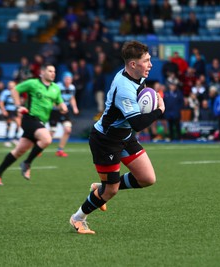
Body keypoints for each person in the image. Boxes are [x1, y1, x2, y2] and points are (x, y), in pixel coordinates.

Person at [69, 40, 165, 234]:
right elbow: (138, 124)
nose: (151, 64)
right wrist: (159, 110)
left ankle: (102, 186)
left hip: (125, 135)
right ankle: (78, 218)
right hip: (106, 141)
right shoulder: (125, 89)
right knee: (110, 191)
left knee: (147, 178)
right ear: (133, 64)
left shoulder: (136, 75)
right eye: (146, 61)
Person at [0, 64, 68, 186]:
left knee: (19, 150)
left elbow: (59, 102)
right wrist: (18, 106)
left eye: (54, 71)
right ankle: (27, 163)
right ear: (42, 72)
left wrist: (62, 107)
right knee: (47, 139)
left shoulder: (56, 88)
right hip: (29, 118)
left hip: (41, 122)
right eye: (50, 71)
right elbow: (15, 90)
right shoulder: (33, 83)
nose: (53, 73)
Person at [49, 71, 79, 157]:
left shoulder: (72, 87)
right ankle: (39, 148)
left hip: (65, 111)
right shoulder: (57, 86)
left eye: (69, 79)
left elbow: (72, 98)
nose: (68, 80)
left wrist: (75, 108)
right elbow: (52, 99)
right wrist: (59, 107)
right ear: (63, 79)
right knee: (52, 132)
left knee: (68, 130)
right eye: (66, 78)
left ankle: (60, 150)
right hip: (55, 111)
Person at [0, 81, 21, 147]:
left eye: (12, 85)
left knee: (19, 124)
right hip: (8, 109)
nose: (11, 86)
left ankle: (15, 138)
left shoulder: (17, 92)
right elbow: (1, 102)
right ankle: (7, 139)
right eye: (10, 85)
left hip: (15, 109)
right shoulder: (5, 92)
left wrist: (19, 110)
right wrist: (3, 110)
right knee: (9, 125)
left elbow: (18, 101)